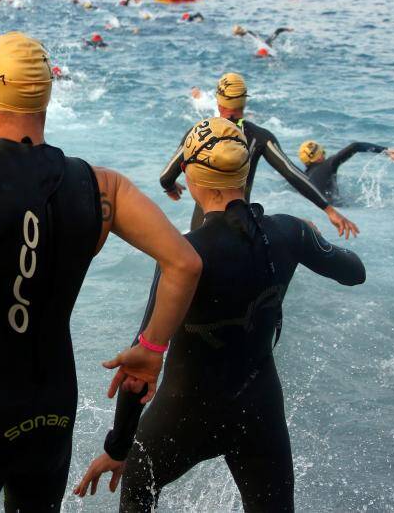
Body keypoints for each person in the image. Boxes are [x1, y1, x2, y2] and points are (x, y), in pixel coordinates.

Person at [0, 32, 202, 511]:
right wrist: (151, 351)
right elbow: (184, 263)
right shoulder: (101, 185)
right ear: (45, 98)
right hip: (52, 409)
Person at [74, 117, 366, 511]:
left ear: (192, 179)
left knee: (139, 489)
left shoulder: (182, 254)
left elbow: (141, 358)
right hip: (259, 408)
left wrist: (118, 445)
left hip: (187, 412)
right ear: (245, 173)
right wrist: (310, 235)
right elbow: (354, 272)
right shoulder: (288, 232)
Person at [161, 73, 359, 237]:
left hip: (202, 229)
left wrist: (170, 187)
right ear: (244, 101)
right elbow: (291, 173)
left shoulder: (198, 133)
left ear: (218, 100)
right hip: (241, 227)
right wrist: (329, 210)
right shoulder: (260, 137)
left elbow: (166, 176)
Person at [298, 140, 394, 201]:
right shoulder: (328, 165)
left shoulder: (304, 177)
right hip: (336, 207)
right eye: (322, 152)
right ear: (319, 157)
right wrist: (387, 151)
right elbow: (355, 146)